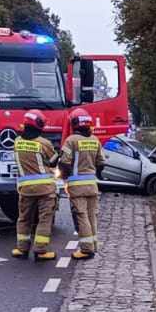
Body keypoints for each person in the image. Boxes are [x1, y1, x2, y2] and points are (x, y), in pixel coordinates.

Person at [11, 111, 59, 260]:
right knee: (45, 219)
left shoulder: (17, 142)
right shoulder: (43, 143)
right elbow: (53, 161)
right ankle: (40, 250)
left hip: (25, 189)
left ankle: (22, 249)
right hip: (45, 189)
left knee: (24, 218)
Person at [58, 109, 104, 259]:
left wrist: (64, 175)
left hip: (77, 186)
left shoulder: (71, 140)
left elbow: (64, 162)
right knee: (92, 216)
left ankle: (86, 249)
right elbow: (101, 163)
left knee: (82, 216)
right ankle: (94, 245)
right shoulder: (95, 140)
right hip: (92, 185)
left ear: (74, 123)